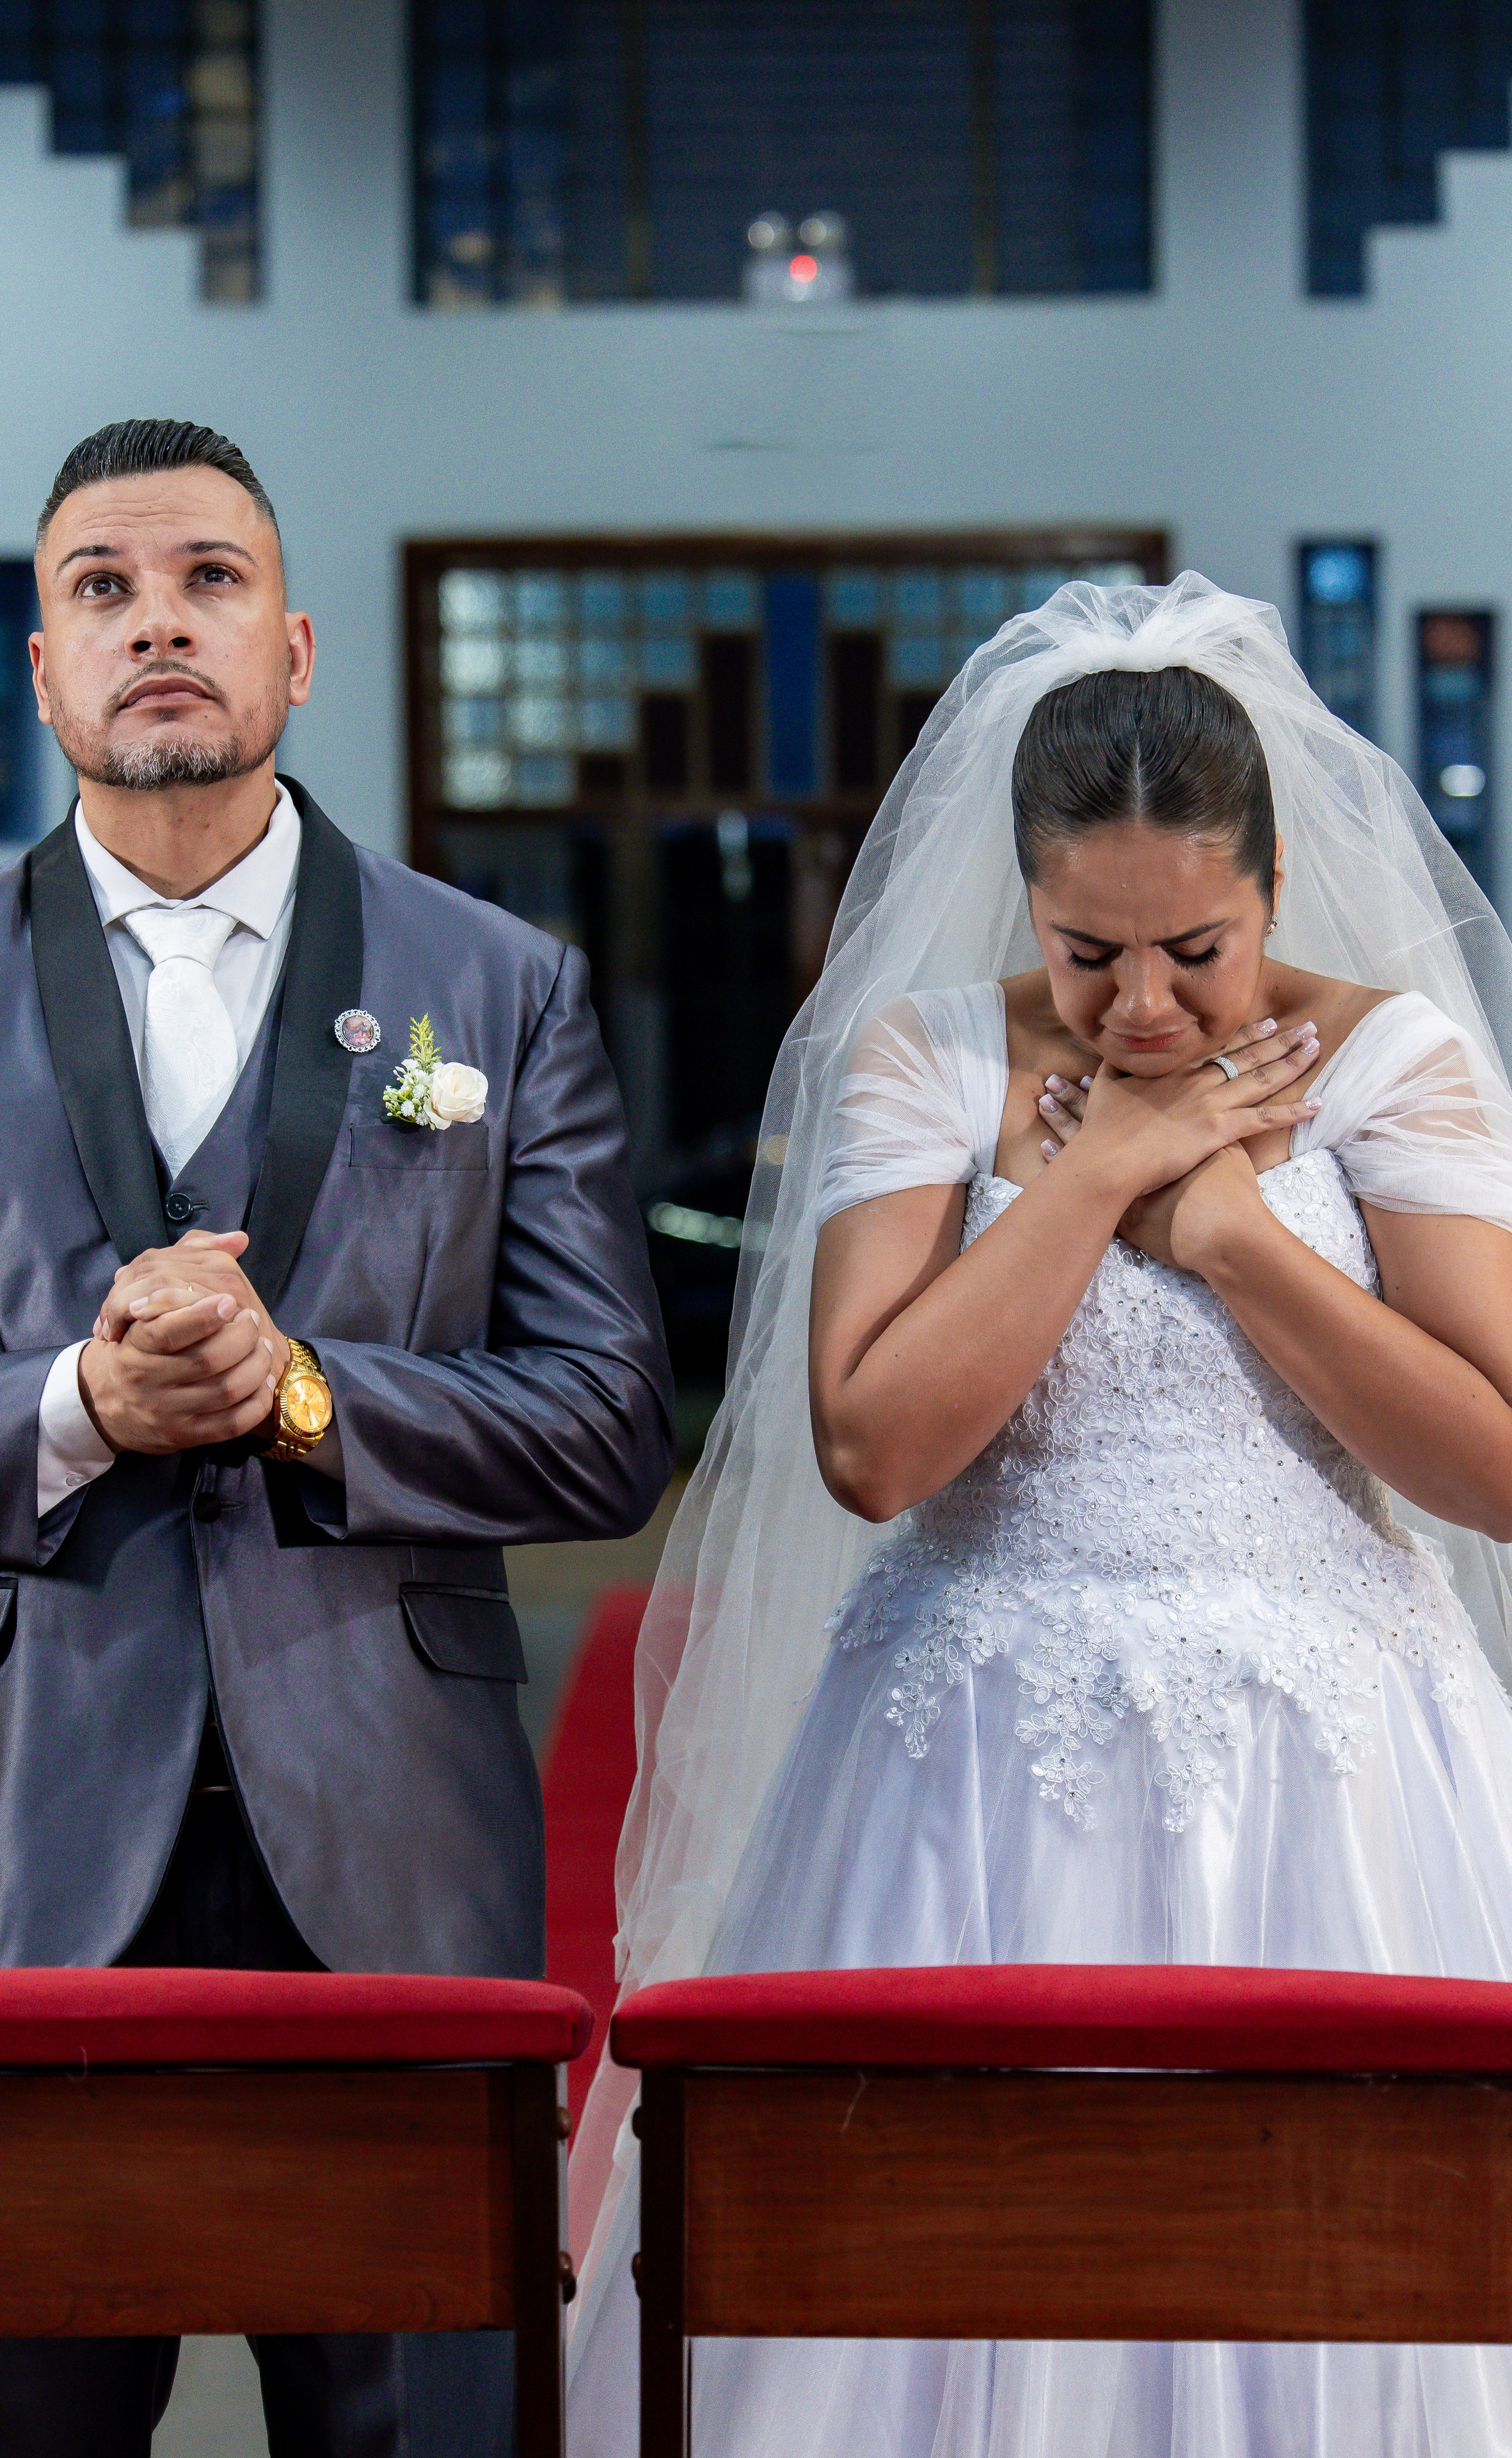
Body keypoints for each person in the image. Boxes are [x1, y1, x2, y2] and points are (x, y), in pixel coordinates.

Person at [568, 573, 1512, 2455]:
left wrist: (1235, 1236)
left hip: (1331, 1771)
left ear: (1273, 891)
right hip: (977, 1764)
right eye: (1089, 952)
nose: (1145, 1005)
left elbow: (1494, 1459)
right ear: (1026, 897)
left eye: (1198, 950)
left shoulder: (1386, 1061)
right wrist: (1098, 1181)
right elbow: (874, 1447)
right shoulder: (930, 1058)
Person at [0, 419, 673, 2458]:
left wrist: (304, 1393)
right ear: (41, 669)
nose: (159, 623)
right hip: (14, 1840)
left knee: (425, 2418)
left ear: (296, 649)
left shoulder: (497, 987)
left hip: (390, 1838)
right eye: (104, 588)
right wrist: (74, 1406)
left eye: (209, 580)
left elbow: (609, 1424)